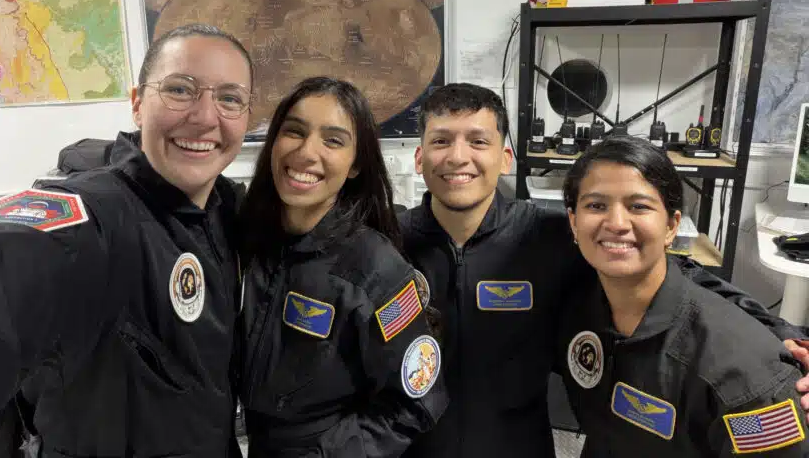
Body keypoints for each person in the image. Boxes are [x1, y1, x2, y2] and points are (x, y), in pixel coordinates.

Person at [398, 82, 809, 458]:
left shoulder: (550, 236)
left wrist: (786, 335)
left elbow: (681, 274)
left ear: (505, 158)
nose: (458, 156)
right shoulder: (389, 242)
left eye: (478, 141)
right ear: (419, 157)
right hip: (417, 446)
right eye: (441, 141)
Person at [0, 23, 252, 457]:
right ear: (138, 105)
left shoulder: (228, 210)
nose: (204, 117)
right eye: (180, 90)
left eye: (230, 98)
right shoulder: (93, 216)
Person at [559, 136, 809, 456]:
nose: (617, 223)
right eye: (596, 205)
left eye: (638, 206)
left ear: (671, 226)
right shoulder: (573, 304)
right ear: (573, 222)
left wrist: (787, 336)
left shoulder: (745, 377)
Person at [237, 76, 447, 457]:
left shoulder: (376, 269)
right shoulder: (249, 240)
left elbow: (417, 400)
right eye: (294, 131)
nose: (306, 152)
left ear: (356, 164)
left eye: (333, 140)